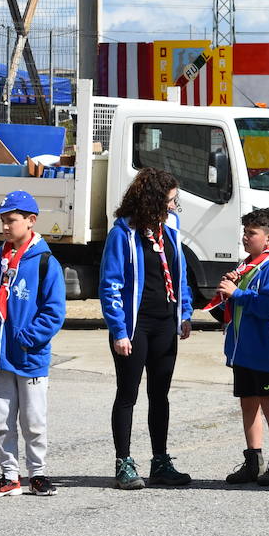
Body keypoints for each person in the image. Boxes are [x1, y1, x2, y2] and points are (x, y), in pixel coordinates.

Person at [99, 169, 194, 491]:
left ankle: (161, 461)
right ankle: (123, 462)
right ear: (152, 199)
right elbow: (110, 285)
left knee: (160, 395)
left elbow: (180, 273)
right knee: (128, 394)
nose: (173, 205)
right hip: (135, 325)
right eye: (169, 200)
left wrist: (185, 311)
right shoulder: (122, 234)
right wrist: (119, 330)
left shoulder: (171, 228)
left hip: (166, 322)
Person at [0, 190, 67, 498]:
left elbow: (53, 311)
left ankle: (38, 473)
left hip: (29, 355)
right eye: (2, 220)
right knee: (3, 419)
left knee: (33, 420)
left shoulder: (44, 262)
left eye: (10, 220)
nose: (5, 227)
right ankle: (9, 475)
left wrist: (26, 339)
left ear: (30, 221)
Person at [216, 208, 269, 487]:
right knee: (247, 403)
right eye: (245, 232)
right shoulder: (247, 266)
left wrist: (238, 293)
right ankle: (253, 460)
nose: (245, 238)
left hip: (264, 350)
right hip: (243, 350)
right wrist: (227, 294)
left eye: (252, 233)